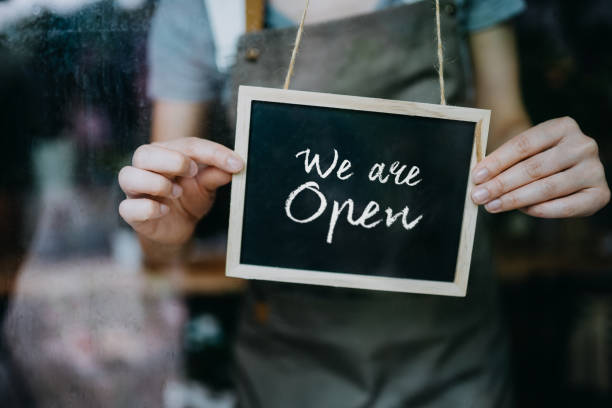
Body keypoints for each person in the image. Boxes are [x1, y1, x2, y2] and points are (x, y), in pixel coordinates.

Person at [118, 1, 610, 406]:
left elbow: (506, 127)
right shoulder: (201, 9)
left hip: (455, 361)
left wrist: (548, 166)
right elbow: (163, 243)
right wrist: (167, 227)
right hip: (291, 372)